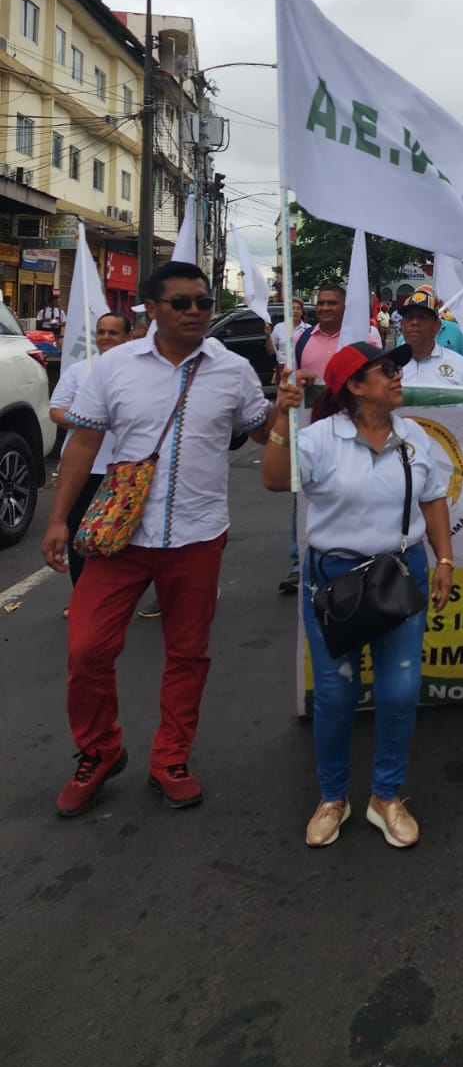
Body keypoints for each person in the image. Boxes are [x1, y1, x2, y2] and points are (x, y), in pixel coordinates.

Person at [43, 262, 277, 818]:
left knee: (188, 654)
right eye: (182, 303)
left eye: (203, 302)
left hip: (198, 535)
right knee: (88, 649)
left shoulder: (233, 368)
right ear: (151, 308)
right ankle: (100, 750)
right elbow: (81, 444)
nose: (196, 311)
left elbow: (262, 432)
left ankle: (170, 758)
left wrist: (283, 408)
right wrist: (57, 520)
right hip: (120, 537)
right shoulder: (115, 367)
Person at [263, 342, 454, 848]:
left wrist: (445, 560)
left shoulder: (413, 437)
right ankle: (333, 797)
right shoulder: (319, 438)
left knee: (399, 691)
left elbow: (433, 500)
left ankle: (386, 796)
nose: (397, 377)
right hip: (334, 581)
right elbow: (274, 479)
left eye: (396, 369)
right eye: (385, 371)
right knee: (335, 694)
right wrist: (284, 417)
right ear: (354, 386)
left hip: (400, 575)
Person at [278, 282, 381, 593]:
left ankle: (364, 556)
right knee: (304, 496)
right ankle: (300, 565)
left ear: (344, 307)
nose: (324, 308)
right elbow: (286, 376)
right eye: (321, 302)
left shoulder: (366, 337)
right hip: (311, 431)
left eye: (332, 303)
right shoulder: (300, 338)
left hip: (357, 430)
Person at [50, 313, 133, 608]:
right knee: (79, 537)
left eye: (113, 332)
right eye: (101, 332)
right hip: (83, 470)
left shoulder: (138, 372)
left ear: (126, 337)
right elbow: (55, 411)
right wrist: (87, 419)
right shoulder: (77, 371)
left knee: (122, 538)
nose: (106, 338)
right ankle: (82, 599)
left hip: (125, 471)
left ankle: (118, 597)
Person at [397, 288, 463, 388]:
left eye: (422, 317)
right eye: (409, 317)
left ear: (437, 326)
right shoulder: (388, 365)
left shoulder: (460, 366)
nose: (415, 322)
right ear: (401, 324)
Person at [271, 297, 306, 373]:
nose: (295, 311)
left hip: (302, 368)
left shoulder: (308, 329)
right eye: (292, 308)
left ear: (301, 312)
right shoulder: (278, 327)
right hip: (283, 368)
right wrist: (268, 336)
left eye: (298, 308)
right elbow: (271, 351)